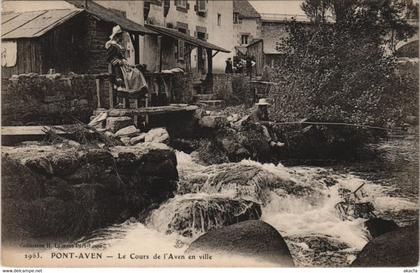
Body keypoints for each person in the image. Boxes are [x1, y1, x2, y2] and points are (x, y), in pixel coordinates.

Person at [105, 25, 147, 92]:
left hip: (123, 65)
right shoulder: (113, 46)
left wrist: (124, 60)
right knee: (132, 75)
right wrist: (119, 61)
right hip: (118, 68)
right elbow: (109, 58)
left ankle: (138, 89)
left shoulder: (118, 46)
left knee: (137, 72)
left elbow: (121, 56)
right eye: (120, 36)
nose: (122, 37)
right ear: (116, 37)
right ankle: (125, 87)